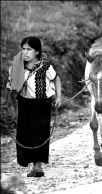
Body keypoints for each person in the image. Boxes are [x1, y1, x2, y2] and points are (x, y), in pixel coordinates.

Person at [6, 36, 62, 177]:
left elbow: (57, 79)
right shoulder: (17, 67)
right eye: (23, 49)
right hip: (25, 104)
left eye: (29, 49)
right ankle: (30, 163)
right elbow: (11, 83)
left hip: (42, 104)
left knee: (41, 134)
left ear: (37, 52)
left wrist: (59, 97)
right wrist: (10, 86)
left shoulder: (45, 66)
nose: (25, 52)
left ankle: (38, 165)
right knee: (25, 134)